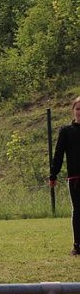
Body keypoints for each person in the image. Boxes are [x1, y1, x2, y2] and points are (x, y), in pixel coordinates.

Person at [49, 95, 80, 256]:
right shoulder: (67, 131)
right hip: (75, 178)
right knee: (77, 210)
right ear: (73, 111)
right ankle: (77, 245)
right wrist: (53, 174)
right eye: (78, 108)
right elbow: (58, 154)